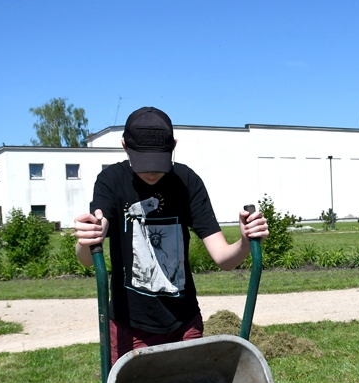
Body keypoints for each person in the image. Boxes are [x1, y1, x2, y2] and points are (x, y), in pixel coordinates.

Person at [74, 106, 269, 365]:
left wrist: (245, 240)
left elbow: (224, 259)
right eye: (143, 162)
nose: (151, 172)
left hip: (184, 325)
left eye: (159, 162)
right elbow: (88, 257)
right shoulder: (111, 181)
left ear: (174, 146)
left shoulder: (186, 182)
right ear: (124, 146)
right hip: (129, 327)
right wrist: (87, 239)